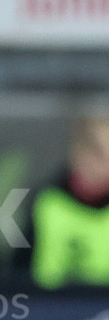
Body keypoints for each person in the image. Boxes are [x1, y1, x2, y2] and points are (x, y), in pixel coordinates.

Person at [27, 113, 109, 290]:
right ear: (77, 151)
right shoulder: (44, 203)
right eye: (98, 152)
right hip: (49, 310)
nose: (106, 165)